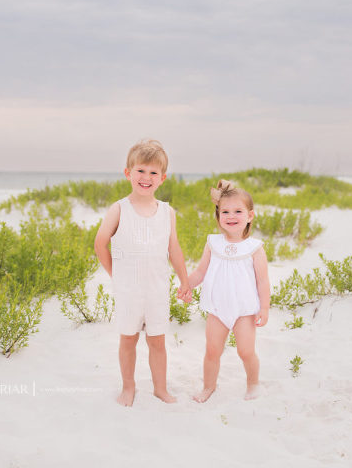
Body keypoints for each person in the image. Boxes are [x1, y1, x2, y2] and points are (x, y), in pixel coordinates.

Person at [94, 139, 191, 406]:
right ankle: (129, 387)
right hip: (128, 290)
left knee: (157, 341)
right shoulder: (119, 209)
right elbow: (100, 243)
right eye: (140, 171)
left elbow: (174, 249)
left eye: (153, 173)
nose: (146, 178)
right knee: (128, 339)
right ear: (128, 173)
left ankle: (160, 388)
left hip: (157, 289)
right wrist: (115, 273)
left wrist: (185, 280)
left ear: (163, 178)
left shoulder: (167, 212)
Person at [187, 179, 271, 402]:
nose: (231, 216)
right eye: (225, 211)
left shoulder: (254, 248)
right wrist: (186, 285)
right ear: (218, 216)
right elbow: (200, 272)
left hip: (244, 309)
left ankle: (253, 384)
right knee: (212, 351)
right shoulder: (213, 243)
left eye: (237, 211)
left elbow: (263, 281)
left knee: (246, 351)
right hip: (217, 308)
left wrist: (264, 307)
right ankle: (208, 387)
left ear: (250, 216)